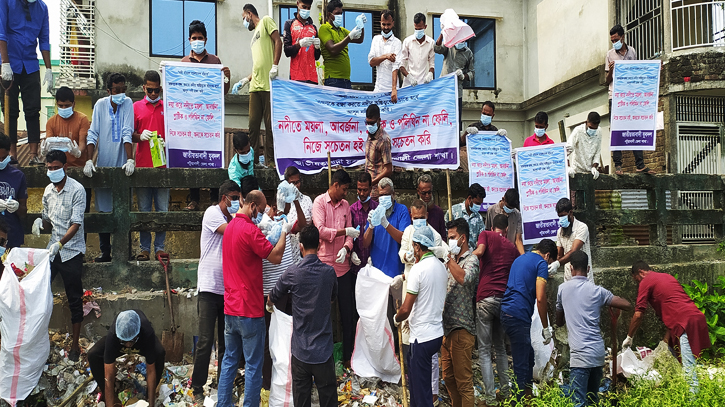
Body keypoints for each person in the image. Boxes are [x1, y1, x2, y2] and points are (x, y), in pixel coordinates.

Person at [217, 190, 290, 407]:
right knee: (253, 364)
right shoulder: (250, 230)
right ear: (253, 206)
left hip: (230, 307)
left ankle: (223, 404)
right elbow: (276, 257)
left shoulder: (230, 228)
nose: (262, 213)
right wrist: (283, 232)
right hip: (249, 308)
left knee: (229, 360)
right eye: (262, 209)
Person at [267, 225, 338, 407]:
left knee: (301, 399)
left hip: (300, 351)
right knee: (328, 398)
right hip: (323, 351)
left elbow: (273, 296)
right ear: (320, 245)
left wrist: (269, 306)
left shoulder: (293, 272)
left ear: (300, 246)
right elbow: (332, 298)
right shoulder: (329, 273)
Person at [556, 251, 632, 407]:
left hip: (579, 357)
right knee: (592, 400)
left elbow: (559, 319)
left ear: (571, 268)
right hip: (597, 355)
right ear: (588, 269)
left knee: (578, 402)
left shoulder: (562, 289)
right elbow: (627, 305)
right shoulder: (598, 291)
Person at [624, 261, 711, 393]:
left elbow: (638, 314)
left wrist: (629, 337)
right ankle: (685, 388)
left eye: (636, 279)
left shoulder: (646, 281)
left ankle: (694, 399)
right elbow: (674, 309)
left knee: (689, 367)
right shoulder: (667, 277)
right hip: (695, 318)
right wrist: (665, 343)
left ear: (641, 273)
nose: (637, 283)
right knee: (681, 357)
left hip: (685, 324)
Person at [33, 150, 86, 361]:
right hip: (52, 250)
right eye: (49, 168)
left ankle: (75, 345)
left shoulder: (77, 190)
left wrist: (60, 243)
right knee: (40, 293)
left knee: (74, 297)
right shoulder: (47, 191)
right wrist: (40, 223)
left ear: (65, 167)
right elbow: (48, 222)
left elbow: (76, 223)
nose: (52, 171)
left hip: (71, 250)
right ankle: (39, 340)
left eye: (56, 167)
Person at [190, 180, 240, 401]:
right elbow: (231, 233)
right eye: (234, 198)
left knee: (225, 342)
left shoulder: (231, 217)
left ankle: (224, 383)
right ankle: (198, 385)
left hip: (227, 289)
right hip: (210, 287)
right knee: (205, 340)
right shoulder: (212, 213)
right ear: (224, 198)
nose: (236, 202)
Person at [261, 180, 307, 393]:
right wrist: (274, 222)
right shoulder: (261, 225)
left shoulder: (284, 220)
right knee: (270, 340)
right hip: (270, 293)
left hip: (289, 290)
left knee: (290, 337)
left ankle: (289, 380)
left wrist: (296, 201)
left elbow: (303, 225)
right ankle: (269, 384)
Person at [393, 226, 447, 407]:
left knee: (421, 390)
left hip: (421, 338)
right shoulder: (440, 267)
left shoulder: (418, 269)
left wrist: (397, 317)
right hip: (436, 334)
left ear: (417, 247)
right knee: (417, 386)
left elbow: (406, 308)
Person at [85, 73, 135, 263]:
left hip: (123, 165)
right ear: (109, 91)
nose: (121, 93)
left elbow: (127, 131)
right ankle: (105, 252)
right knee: (104, 211)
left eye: (123, 89)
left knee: (123, 210)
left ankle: (125, 251)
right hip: (103, 163)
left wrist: (130, 159)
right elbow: (93, 133)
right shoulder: (100, 105)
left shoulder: (128, 103)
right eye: (117, 90)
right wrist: (89, 160)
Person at [500, 239, 558, 400]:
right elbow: (540, 298)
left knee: (528, 356)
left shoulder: (521, 258)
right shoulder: (541, 264)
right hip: (518, 314)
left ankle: (527, 395)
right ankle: (517, 401)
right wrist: (546, 328)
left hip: (507, 312)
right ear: (547, 256)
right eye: (550, 262)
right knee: (521, 362)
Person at [312, 169, 359, 368]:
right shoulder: (319, 203)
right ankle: (323, 358)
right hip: (323, 266)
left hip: (343, 267)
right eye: (344, 189)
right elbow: (320, 231)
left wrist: (348, 247)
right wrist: (343, 232)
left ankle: (348, 357)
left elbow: (351, 234)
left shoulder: (346, 205)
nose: (346, 193)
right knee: (322, 315)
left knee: (348, 315)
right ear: (335, 185)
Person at [181, 19, 230, 210]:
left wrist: (227, 76)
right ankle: (193, 199)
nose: (197, 41)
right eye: (194, 38)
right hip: (191, 121)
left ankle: (212, 198)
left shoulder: (215, 62)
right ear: (189, 40)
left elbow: (223, 92)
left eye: (200, 38)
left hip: (210, 120)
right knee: (192, 160)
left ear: (206, 39)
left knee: (212, 159)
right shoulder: (184, 63)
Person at [472, 214, 519, 406]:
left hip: (485, 298)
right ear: (506, 229)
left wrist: (464, 258)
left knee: (484, 350)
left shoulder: (485, 234)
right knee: (500, 348)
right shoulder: (512, 247)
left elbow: (481, 251)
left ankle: (491, 398)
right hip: (504, 300)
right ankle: (506, 392)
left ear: (492, 226)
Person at [231, 4, 283, 168]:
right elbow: (258, 65)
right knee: (253, 126)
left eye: (243, 18)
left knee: (269, 127)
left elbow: (278, 41)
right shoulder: (253, 38)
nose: (244, 22)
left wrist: (275, 65)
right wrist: (245, 80)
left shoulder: (266, 21)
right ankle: (253, 162)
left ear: (249, 13)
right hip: (255, 87)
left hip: (268, 85)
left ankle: (271, 162)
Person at [0, 0, 51, 163]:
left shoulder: (42, 8)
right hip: (9, 62)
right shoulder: (6, 2)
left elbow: (44, 40)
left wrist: (49, 69)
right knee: (10, 110)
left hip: (30, 63)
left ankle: (33, 154)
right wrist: (5, 63)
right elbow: (1, 34)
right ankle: (12, 154)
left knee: (33, 108)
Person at [88, 310, 165, 407]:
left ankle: (149, 394)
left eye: (131, 341)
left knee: (160, 353)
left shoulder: (146, 331)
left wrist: (151, 404)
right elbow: (109, 377)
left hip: (141, 343)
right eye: (125, 342)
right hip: (120, 343)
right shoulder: (113, 335)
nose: (128, 345)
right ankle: (110, 397)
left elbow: (150, 370)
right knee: (93, 354)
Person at [441, 218, 478, 407]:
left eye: (452, 237)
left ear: (462, 239)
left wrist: (447, 259)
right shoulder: (450, 260)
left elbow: (464, 278)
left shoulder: (472, 260)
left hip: (462, 328)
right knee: (448, 378)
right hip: (446, 329)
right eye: (448, 238)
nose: (450, 241)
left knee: (464, 383)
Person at [132, 70, 168, 261]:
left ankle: (160, 247)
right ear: (144, 87)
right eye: (150, 90)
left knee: (163, 210)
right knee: (144, 210)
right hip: (143, 166)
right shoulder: (136, 107)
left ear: (160, 89)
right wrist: (140, 136)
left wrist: (167, 141)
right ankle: (144, 248)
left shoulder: (168, 107)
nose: (153, 94)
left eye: (156, 91)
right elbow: (129, 134)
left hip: (163, 166)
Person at [605, 25, 650, 175]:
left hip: (630, 96)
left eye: (616, 39)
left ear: (623, 37)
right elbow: (606, 80)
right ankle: (618, 165)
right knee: (617, 129)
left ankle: (640, 164)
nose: (614, 42)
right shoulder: (609, 54)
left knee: (635, 127)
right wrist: (611, 70)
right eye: (612, 40)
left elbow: (636, 72)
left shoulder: (632, 52)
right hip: (615, 96)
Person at [43, 86, 90, 217]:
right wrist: (44, 151)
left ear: (74, 104)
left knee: (81, 214)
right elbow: (50, 148)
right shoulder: (51, 122)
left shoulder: (82, 119)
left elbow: (82, 145)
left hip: (78, 170)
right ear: (56, 104)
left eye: (67, 105)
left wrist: (77, 152)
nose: (64, 108)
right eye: (61, 105)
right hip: (59, 172)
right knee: (59, 213)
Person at [318, 0, 366, 88]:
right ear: (329, 14)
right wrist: (349, 37)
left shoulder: (342, 30)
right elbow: (332, 49)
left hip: (346, 79)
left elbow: (359, 39)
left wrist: (361, 26)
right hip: (333, 79)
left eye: (341, 13)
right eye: (337, 13)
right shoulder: (324, 28)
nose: (340, 16)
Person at [392, 13, 434, 103]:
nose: (418, 31)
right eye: (416, 29)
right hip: (408, 85)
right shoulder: (407, 41)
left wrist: (430, 74)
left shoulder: (431, 43)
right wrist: (409, 76)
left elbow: (432, 64)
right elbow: (401, 65)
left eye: (420, 29)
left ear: (425, 26)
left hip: (424, 85)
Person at [434, 34, 473, 128]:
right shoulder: (449, 46)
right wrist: (442, 33)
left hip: (456, 91)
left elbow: (472, 73)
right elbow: (437, 48)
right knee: (440, 117)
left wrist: (463, 76)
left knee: (455, 121)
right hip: (443, 89)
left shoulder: (468, 53)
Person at [548, 198, 592, 281]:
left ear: (570, 212)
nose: (561, 219)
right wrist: (550, 265)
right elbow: (559, 254)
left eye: (563, 216)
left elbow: (574, 251)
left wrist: (557, 264)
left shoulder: (582, 227)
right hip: (568, 277)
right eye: (559, 216)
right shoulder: (560, 232)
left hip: (583, 277)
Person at [277, 166, 313, 261]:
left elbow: (304, 225)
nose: (296, 186)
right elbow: (277, 226)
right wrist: (280, 209)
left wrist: (296, 200)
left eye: (297, 182)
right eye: (292, 183)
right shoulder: (281, 199)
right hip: (285, 252)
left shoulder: (307, 200)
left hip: (301, 252)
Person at [460, 101, 508, 171]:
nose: (486, 116)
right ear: (481, 112)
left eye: (488, 115)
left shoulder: (494, 130)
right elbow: (461, 143)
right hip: (475, 163)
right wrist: (467, 133)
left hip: (489, 164)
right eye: (484, 114)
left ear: (493, 116)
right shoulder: (473, 126)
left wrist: (503, 138)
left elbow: (499, 149)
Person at [282, 0, 321, 83]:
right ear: (297, 3)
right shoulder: (289, 24)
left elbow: (316, 57)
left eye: (308, 8)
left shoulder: (313, 27)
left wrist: (317, 48)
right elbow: (287, 51)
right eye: (304, 7)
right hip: (297, 77)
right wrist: (299, 45)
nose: (306, 10)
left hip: (312, 77)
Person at [0, 134, 26, 249]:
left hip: (12, 236)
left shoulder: (18, 176)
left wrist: (17, 207)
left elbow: (23, 211)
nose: (1, 161)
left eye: (3, 158)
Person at [350, 172, 377, 273]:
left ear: (370, 189)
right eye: (359, 190)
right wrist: (351, 252)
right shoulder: (352, 210)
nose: (361, 193)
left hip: (374, 264)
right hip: (356, 264)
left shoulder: (377, 209)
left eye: (365, 190)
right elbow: (348, 237)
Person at [368, 9, 401, 93]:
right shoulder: (376, 39)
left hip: (392, 89)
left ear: (393, 23)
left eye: (388, 24)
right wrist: (386, 56)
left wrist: (394, 89)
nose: (386, 27)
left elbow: (395, 67)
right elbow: (371, 62)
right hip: (378, 88)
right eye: (384, 24)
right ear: (380, 23)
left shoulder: (397, 42)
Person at [363, 104, 392, 198]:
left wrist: (372, 183)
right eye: (367, 123)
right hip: (366, 189)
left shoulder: (384, 140)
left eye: (372, 123)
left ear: (379, 121)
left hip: (377, 191)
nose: (369, 126)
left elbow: (388, 169)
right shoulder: (370, 134)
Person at [485, 188, 524, 254]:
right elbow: (487, 233)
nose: (509, 210)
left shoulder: (517, 214)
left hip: (510, 252)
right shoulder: (491, 210)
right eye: (508, 207)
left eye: (512, 209)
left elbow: (518, 240)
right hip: (494, 251)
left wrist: (524, 257)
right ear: (503, 199)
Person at [567, 112, 602, 180]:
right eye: (590, 127)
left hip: (590, 173)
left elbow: (597, 153)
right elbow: (567, 149)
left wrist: (594, 167)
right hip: (577, 171)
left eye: (595, 128)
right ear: (586, 122)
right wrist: (567, 167)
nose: (592, 130)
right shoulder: (578, 131)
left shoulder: (599, 132)